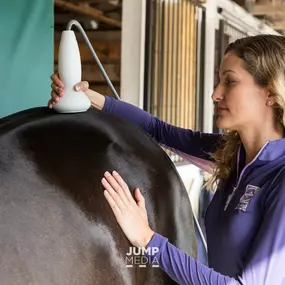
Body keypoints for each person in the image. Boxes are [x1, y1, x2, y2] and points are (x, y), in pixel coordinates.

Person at [49, 34, 285, 284]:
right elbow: (157, 130)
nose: (215, 94)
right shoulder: (234, 154)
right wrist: (89, 99)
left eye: (230, 81)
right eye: (219, 81)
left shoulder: (279, 177)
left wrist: (146, 239)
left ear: (270, 93)